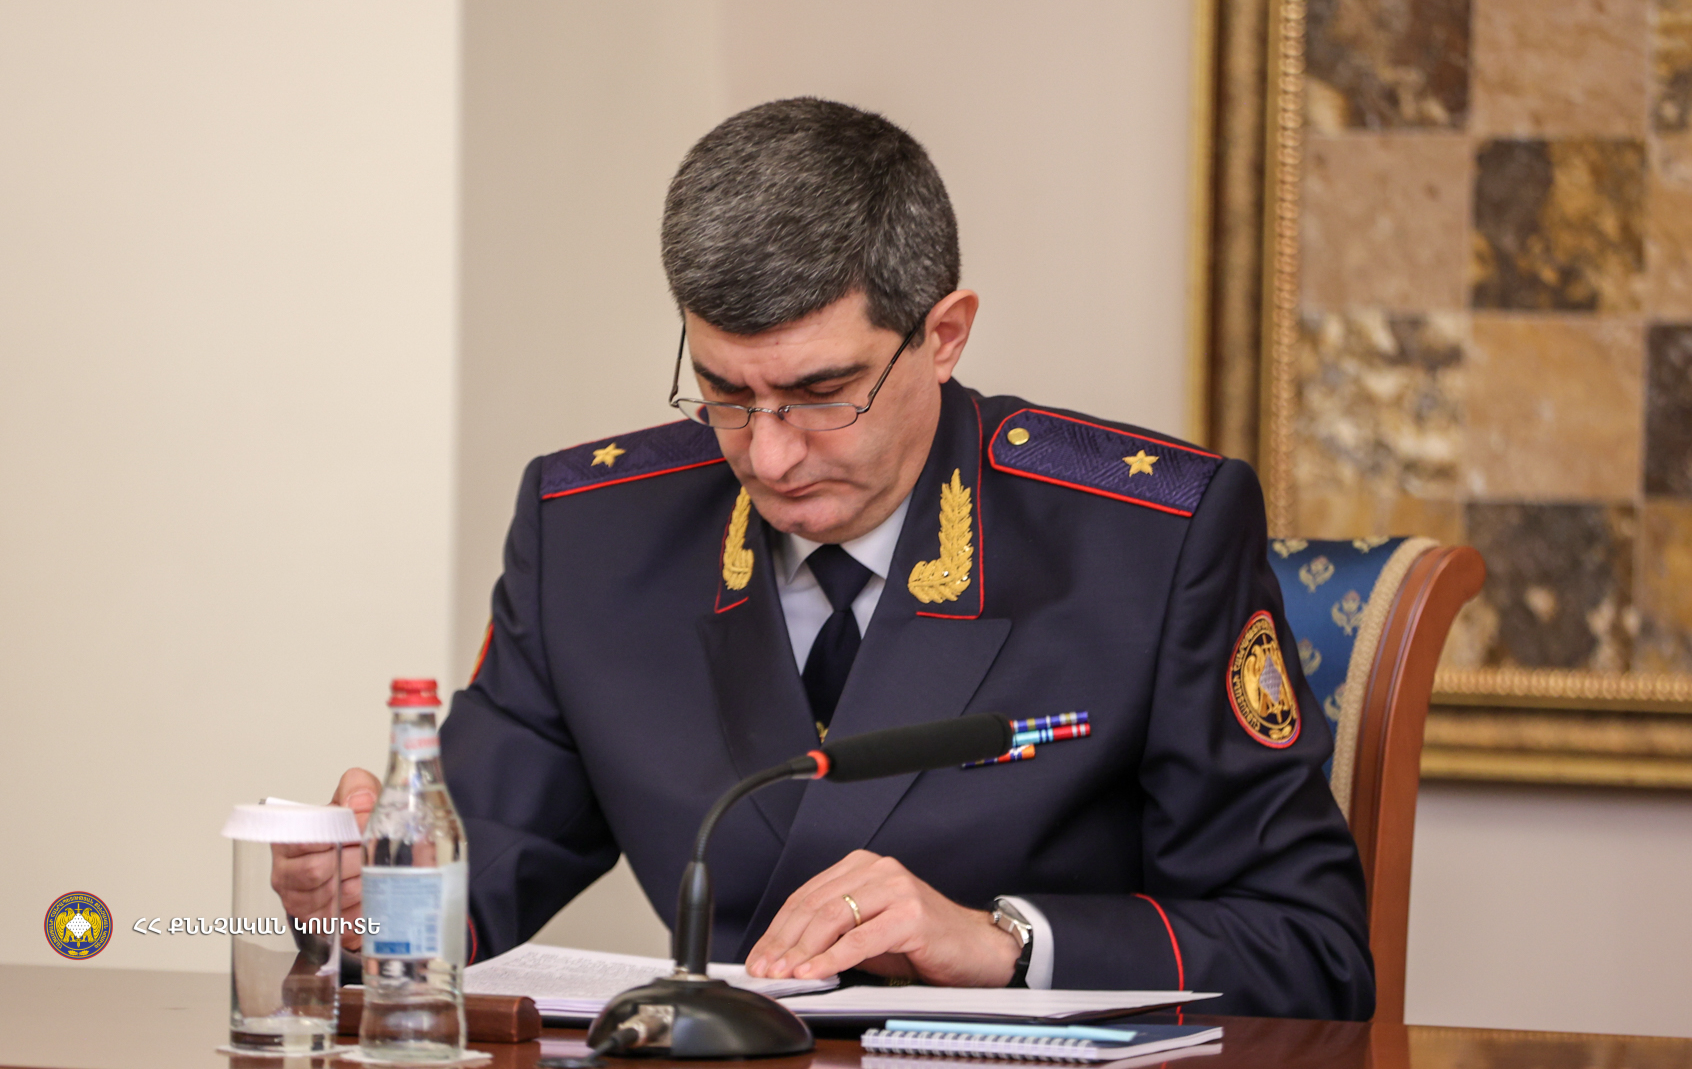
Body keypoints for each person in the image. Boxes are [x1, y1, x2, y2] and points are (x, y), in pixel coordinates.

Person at [276, 98, 1374, 1019]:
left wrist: (1003, 942)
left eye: (821, 393)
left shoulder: (1150, 540)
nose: (768, 455)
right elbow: (471, 880)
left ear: (944, 335)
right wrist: (363, 904)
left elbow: (1312, 952)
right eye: (724, 393)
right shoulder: (594, 534)